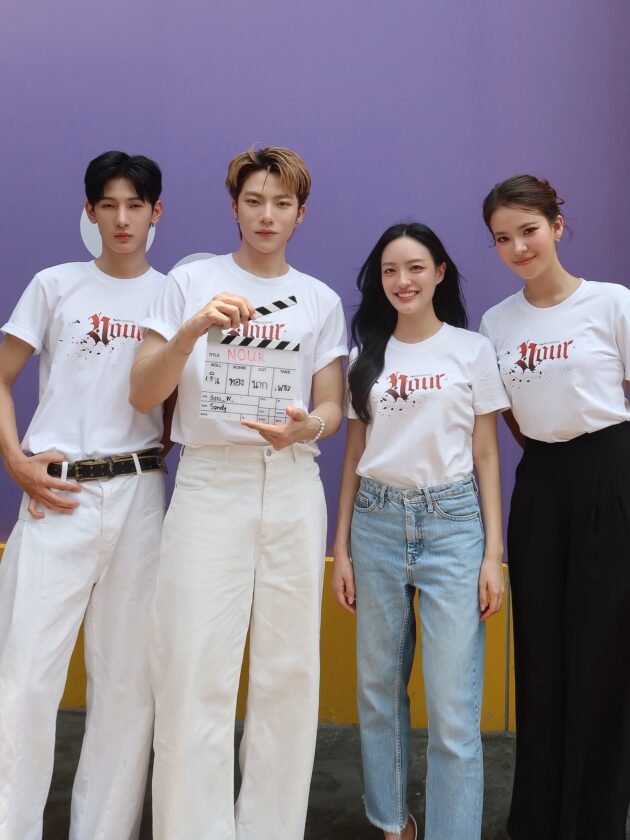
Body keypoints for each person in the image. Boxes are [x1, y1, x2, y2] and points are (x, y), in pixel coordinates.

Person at [129, 145, 347, 840]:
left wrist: (309, 427)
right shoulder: (190, 282)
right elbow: (143, 391)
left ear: (301, 213)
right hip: (210, 482)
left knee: (289, 673)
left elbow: (332, 403)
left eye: (282, 203)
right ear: (234, 207)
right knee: (194, 668)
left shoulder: (319, 299)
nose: (266, 214)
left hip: (292, 484)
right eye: (254, 201)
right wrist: (193, 330)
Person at [0, 151, 167, 840]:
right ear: (90, 211)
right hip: (58, 494)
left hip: (141, 496)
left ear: (156, 213)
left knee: (128, 686)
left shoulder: (175, 296)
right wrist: (16, 461)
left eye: (135, 206)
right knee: (24, 681)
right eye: (109, 205)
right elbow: (1, 375)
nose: (122, 219)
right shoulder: (55, 285)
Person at [332, 223, 508, 840]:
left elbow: (486, 454)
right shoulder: (366, 358)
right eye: (389, 271)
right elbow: (354, 454)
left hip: (453, 527)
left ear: (439, 273)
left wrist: (493, 553)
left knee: (454, 708)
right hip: (375, 525)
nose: (402, 281)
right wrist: (341, 547)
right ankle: (392, 825)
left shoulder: (471, 350)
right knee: (379, 692)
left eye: (414, 268)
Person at [480, 175, 630, 840]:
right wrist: (553, 458)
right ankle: (538, 819)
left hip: (611, 477)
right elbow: (512, 418)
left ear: (557, 226)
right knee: (540, 654)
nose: (518, 247)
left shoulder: (612, 304)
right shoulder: (496, 322)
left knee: (603, 653)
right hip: (540, 485)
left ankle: (595, 821)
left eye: (529, 231)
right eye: (503, 238)